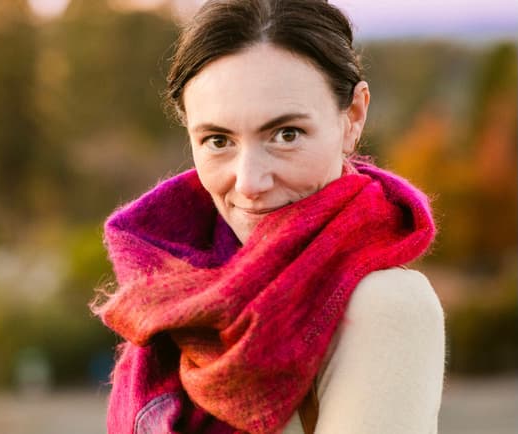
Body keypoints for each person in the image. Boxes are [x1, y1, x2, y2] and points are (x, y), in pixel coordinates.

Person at [91, 1, 446, 433]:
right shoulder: (171, 302)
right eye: (218, 140)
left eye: (286, 134)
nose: (249, 183)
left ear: (353, 117)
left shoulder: (386, 304)